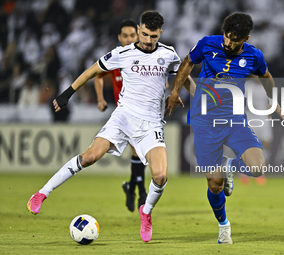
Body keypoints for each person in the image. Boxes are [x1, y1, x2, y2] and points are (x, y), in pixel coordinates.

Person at [27, 11, 189, 243]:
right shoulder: (123, 53)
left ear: (159, 34)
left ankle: (146, 212)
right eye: (143, 34)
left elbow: (183, 74)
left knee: (161, 176)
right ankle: (42, 193)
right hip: (123, 117)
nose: (147, 40)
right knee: (89, 157)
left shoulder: (168, 54)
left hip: (151, 123)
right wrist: (67, 94)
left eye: (152, 36)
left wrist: (182, 93)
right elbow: (93, 71)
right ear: (139, 29)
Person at [166, 12, 284, 244]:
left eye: (234, 40)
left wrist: (273, 99)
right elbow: (187, 63)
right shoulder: (208, 44)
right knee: (214, 183)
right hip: (204, 120)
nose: (228, 43)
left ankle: (230, 163)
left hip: (234, 119)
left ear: (246, 38)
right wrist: (174, 91)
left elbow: (266, 75)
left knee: (258, 168)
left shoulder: (253, 56)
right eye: (226, 37)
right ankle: (223, 226)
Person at [93, 19, 147, 213]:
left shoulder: (145, 56)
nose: (129, 39)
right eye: (125, 36)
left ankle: (133, 188)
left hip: (143, 112)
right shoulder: (116, 57)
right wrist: (100, 99)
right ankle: (141, 192)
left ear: (138, 35)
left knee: (138, 152)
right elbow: (98, 77)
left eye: (132, 35)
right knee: (138, 151)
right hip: (124, 114)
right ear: (119, 37)